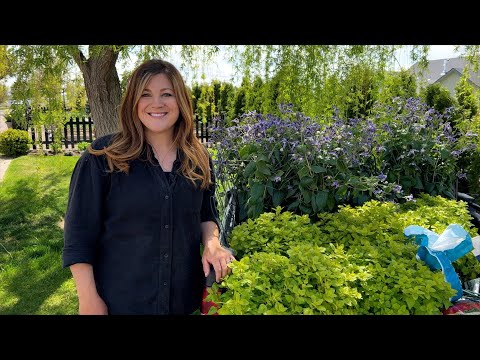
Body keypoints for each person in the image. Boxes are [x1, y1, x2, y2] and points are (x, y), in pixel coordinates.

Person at [62, 59, 235, 315]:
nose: (157, 103)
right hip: (120, 303)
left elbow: (206, 215)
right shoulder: (102, 157)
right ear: (133, 101)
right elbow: (78, 234)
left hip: (182, 304)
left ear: (181, 102)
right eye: (146, 94)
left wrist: (212, 243)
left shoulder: (198, 159)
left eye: (167, 94)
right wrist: (88, 300)